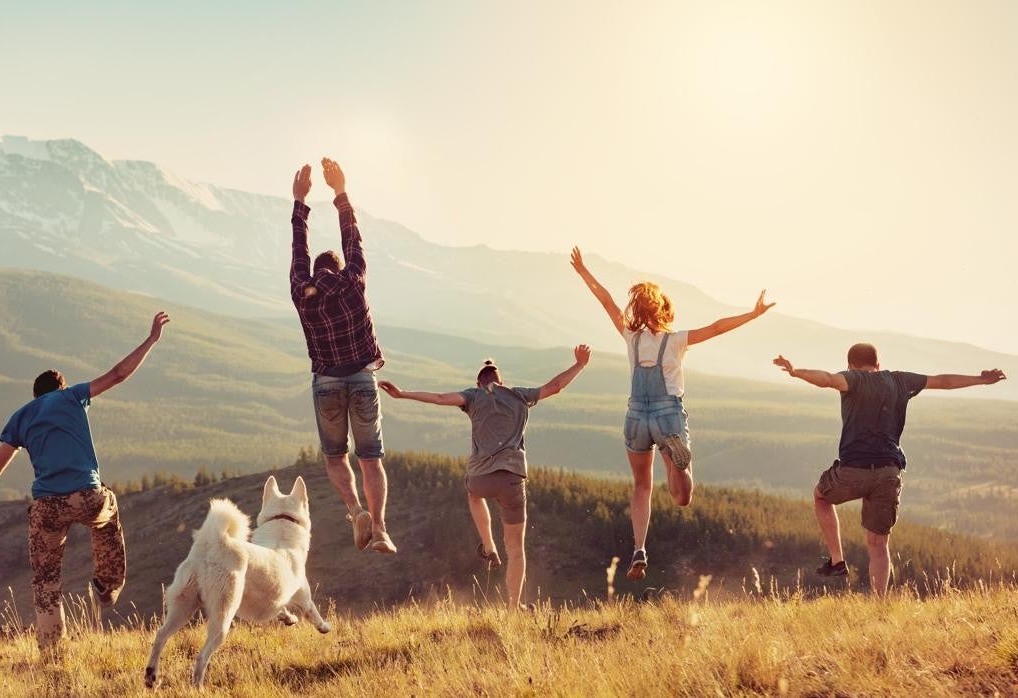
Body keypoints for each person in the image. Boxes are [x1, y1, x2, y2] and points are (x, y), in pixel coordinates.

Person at [0, 311, 171, 652]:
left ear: (35, 395)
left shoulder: (21, 417)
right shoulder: (73, 397)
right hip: (87, 496)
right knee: (107, 515)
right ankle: (107, 585)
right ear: (62, 388)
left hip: (48, 507)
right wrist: (151, 340)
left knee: (45, 580)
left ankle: (52, 650)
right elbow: (118, 374)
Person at [569, 247, 774, 581]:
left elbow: (605, 300)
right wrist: (752, 314)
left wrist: (583, 272)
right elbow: (718, 327)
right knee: (681, 497)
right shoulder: (677, 340)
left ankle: (639, 550)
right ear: (665, 310)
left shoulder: (630, 337)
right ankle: (679, 462)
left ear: (637, 308)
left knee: (641, 486)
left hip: (636, 415)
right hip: (668, 416)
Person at [774, 344, 1006, 595]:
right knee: (878, 544)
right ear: (878, 364)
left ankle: (837, 561)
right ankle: (879, 604)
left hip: (854, 468)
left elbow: (827, 380)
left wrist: (796, 371)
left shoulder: (853, 379)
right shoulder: (900, 380)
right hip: (889, 471)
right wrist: (982, 380)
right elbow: (944, 381)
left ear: (850, 364)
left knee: (821, 496)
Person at [377, 345, 591, 610]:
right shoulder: (519, 396)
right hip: (512, 478)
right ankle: (514, 607)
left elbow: (440, 397)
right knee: (516, 547)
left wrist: (402, 394)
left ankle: (489, 546)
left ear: (479, 383)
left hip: (480, 477)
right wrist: (580, 364)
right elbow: (556, 385)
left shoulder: (473, 396)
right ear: (501, 382)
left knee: (473, 494)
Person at [290, 158, 396, 554]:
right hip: (363, 379)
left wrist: (300, 203)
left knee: (336, 458)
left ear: (315, 272)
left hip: (327, 384)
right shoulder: (354, 284)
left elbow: (298, 251)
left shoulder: (302, 292)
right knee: (371, 459)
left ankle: (355, 512)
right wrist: (340, 192)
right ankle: (381, 529)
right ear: (339, 267)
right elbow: (355, 240)